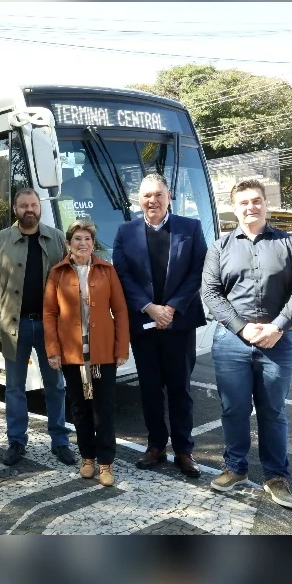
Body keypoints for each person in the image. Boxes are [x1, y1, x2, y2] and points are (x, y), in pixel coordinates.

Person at [201, 178, 292, 509]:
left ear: (265, 204)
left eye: (256, 200)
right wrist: (241, 328)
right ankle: (235, 468)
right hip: (232, 342)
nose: (251, 207)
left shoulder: (290, 244)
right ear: (234, 208)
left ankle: (276, 477)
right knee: (233, 408)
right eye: (244, 202)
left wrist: (278, 326)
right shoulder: (220, 247)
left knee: (273, 411)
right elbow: (211, 293)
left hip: (278, 340)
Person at [111, 173, 207, 478]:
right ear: (138, 200)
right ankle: (155, 446)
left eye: (158, 194)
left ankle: (184, 450)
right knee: (150, 389)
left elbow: (198, 270)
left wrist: (171, 308)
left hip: (180, 323)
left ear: (169, 197)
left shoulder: (190, 228)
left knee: (180, 389)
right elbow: (122, 275)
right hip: (143, 323)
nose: (152, 200)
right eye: (146, 195)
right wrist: (149, 307)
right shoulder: (125, 232)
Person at [0, 187, 76, 467]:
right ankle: (16, 441)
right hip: (15, 325)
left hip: (50, 326)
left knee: (55, 385)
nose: (29, 210)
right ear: (15, 209)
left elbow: (69, 277)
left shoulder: (56, 238)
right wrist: (2, 312)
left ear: (40, 206)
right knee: (14, 387)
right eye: (24, 206)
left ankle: (60, 441)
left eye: (33, 205)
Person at [43, 220, 129, 486]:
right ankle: (87, 458)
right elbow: (49, 313)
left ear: (93, 243)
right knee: (79, 409)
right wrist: (53, 351)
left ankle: (106, 463)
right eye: (77, 239)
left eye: (87, 239)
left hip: (102, 353)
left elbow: (120, 310)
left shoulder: (106, 270)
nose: (83, 243)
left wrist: (121, 348)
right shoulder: (58, 272)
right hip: (72, 354)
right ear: (68, 243)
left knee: (103, 410)